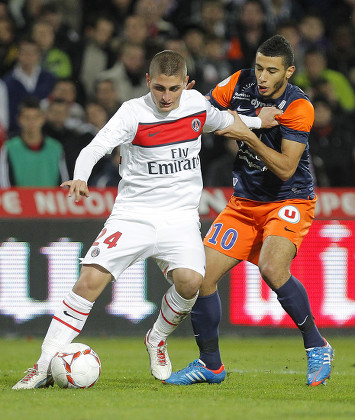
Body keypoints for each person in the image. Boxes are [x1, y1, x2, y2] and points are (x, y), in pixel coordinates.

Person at [11, 50, 279, 389]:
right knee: (88, 283)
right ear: (148, 82)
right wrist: (81, 176)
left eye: (174, 89)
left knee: (190, 283)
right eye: (159, 89)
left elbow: (226, 122)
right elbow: (94, 148)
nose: (166, 97)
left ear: (187, 84)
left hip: (180, 219)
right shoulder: (132, 113)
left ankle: (156, 338)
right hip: (133, 216)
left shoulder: (195, 104)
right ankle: (42, 366)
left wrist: (258, 121)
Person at [165, 35, 334, 387]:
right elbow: (204, 114)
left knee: (273, 268)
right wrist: (253, 119)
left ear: (288, 71)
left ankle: (317, 345)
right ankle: (211, 366)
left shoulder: (299, 107)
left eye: (272, 70)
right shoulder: (239, 82)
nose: (262, 76)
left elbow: (286, 168)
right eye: (259, 67)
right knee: (200, 278)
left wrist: (248, 134)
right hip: (243, 204)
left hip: (289, 199)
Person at [0, 96, 68, 187]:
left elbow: (64, 183)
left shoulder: (56, 148)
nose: (31, 122)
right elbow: (5, 184)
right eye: (27, 118)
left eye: (35, 117)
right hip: (20, 200)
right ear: (19, 120)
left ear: (42, 119)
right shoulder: (9, 148)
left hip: (48, 200)